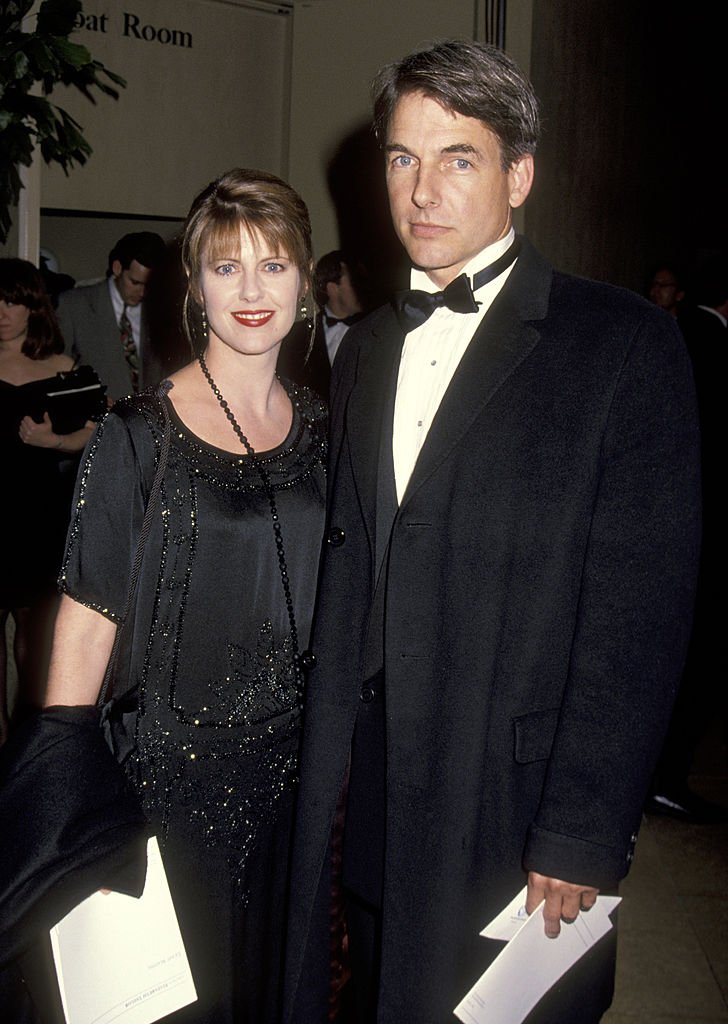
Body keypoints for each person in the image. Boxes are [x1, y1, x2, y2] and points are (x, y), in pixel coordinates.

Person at [284, 39, 701, 1024]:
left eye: (456, 158)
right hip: (370, 783)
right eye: (400, 158)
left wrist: (585, 830)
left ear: (517, 174)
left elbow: (635, 620)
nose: (421, 190)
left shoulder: (621, 345)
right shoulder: (365, 349)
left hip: (508, 792)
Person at [1, 169, 327, 1022]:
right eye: (226, 268)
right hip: (168, 782)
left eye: (274, 264)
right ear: (196, 287)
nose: (252, 291)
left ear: (305, 279)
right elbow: (85, 619)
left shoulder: (326, 424)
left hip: (292, 774)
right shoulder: (137, 433)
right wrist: (69, 806)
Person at [0, 258, 100, 744]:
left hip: (35, 512)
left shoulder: (61, 369)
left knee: (32, 633)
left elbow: (94, 433)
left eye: (14, 301)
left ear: (32, 307)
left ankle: (25, 736)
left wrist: (49, 443)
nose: (3, 312)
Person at [646, 257, 728, 822]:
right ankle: (664, 778)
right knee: (695, 660)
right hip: (700, 531)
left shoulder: (674, 335)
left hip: (671, 523)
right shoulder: (704, 343)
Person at [56, 230, 168, 400]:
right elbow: (57, 373)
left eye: (150, 285)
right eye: (135, 283)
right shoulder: (74, 305)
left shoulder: (161, 311)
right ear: (117, 268)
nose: (143, 292)